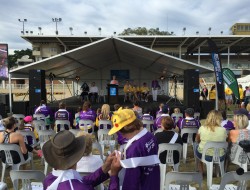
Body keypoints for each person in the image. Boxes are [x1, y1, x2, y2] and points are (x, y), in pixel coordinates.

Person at [42, 130, 121, 190]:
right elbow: (81, 184)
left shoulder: (49, 178)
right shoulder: (78, 186)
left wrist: (105, 168)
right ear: (78, 155)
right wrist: (114, 176)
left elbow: (85, 181)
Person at [108, 108, 160, 190]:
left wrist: (114, 173)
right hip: (153, 183)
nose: (120, 135)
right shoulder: (150, 136)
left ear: (126, 129)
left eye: (120, 132)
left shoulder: (133, 149)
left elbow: (131, 183)